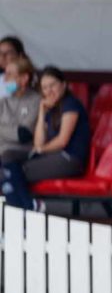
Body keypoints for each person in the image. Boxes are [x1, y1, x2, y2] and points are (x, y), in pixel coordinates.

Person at [1, 66, 90, 210]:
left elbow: (62, 141)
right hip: (52, 156)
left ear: (63, 85)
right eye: (45, 88)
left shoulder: (71, 104)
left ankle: (24, 209)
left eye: (53, 85)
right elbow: (38, 142)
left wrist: (40, 150)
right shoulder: (50, 108)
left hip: (69, 158)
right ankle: (28, 206)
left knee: (10, 172)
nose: (49, 91)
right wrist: (42, 111)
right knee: (8, 155)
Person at [0, 55, 42, 163]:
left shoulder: (36, 101)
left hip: (19, 152)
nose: (4, 79)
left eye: (9, 75)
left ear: (24, 78)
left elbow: (24, 135)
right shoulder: (4, 100)